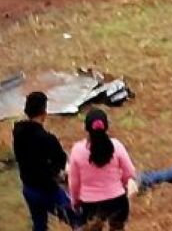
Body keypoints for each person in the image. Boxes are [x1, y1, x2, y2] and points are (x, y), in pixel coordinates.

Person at [14, 92, 74, 231]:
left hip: (28, 188)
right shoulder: (47, 139)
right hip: (48, 191)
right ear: (44, 112)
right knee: (77, 220)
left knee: (39, 226)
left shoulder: (18, 133)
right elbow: (61, 160)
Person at [68, 109, 136, 231]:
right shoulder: (116, 146)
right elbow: (130, 173)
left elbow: (74, 183)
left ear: (86, 128)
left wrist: (75, 201)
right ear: (107, 127)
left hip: (90, 205)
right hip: (117, 202)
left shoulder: (77, 151)